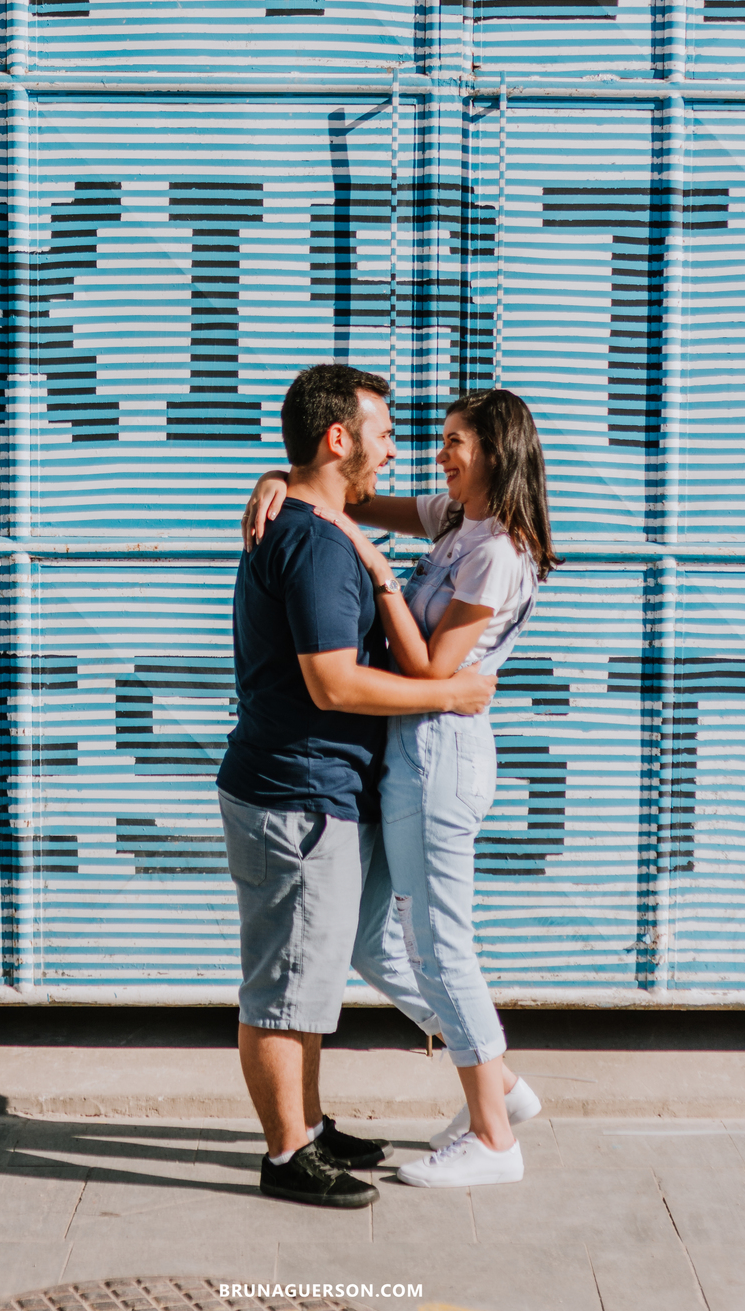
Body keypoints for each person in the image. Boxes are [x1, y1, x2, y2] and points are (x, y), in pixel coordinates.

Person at [243, 387, 560, 1188]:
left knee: (440, 942)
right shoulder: (456, 519)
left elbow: (432, 671)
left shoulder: (496, 550)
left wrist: (382, 576)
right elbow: (351, 492)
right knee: (366, 939)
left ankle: (493, 1136)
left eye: (455, 441)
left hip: (440, 756)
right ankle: (499, 1083)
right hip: (403, 756)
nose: (435, 453)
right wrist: (279, 479)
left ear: (495, 452)